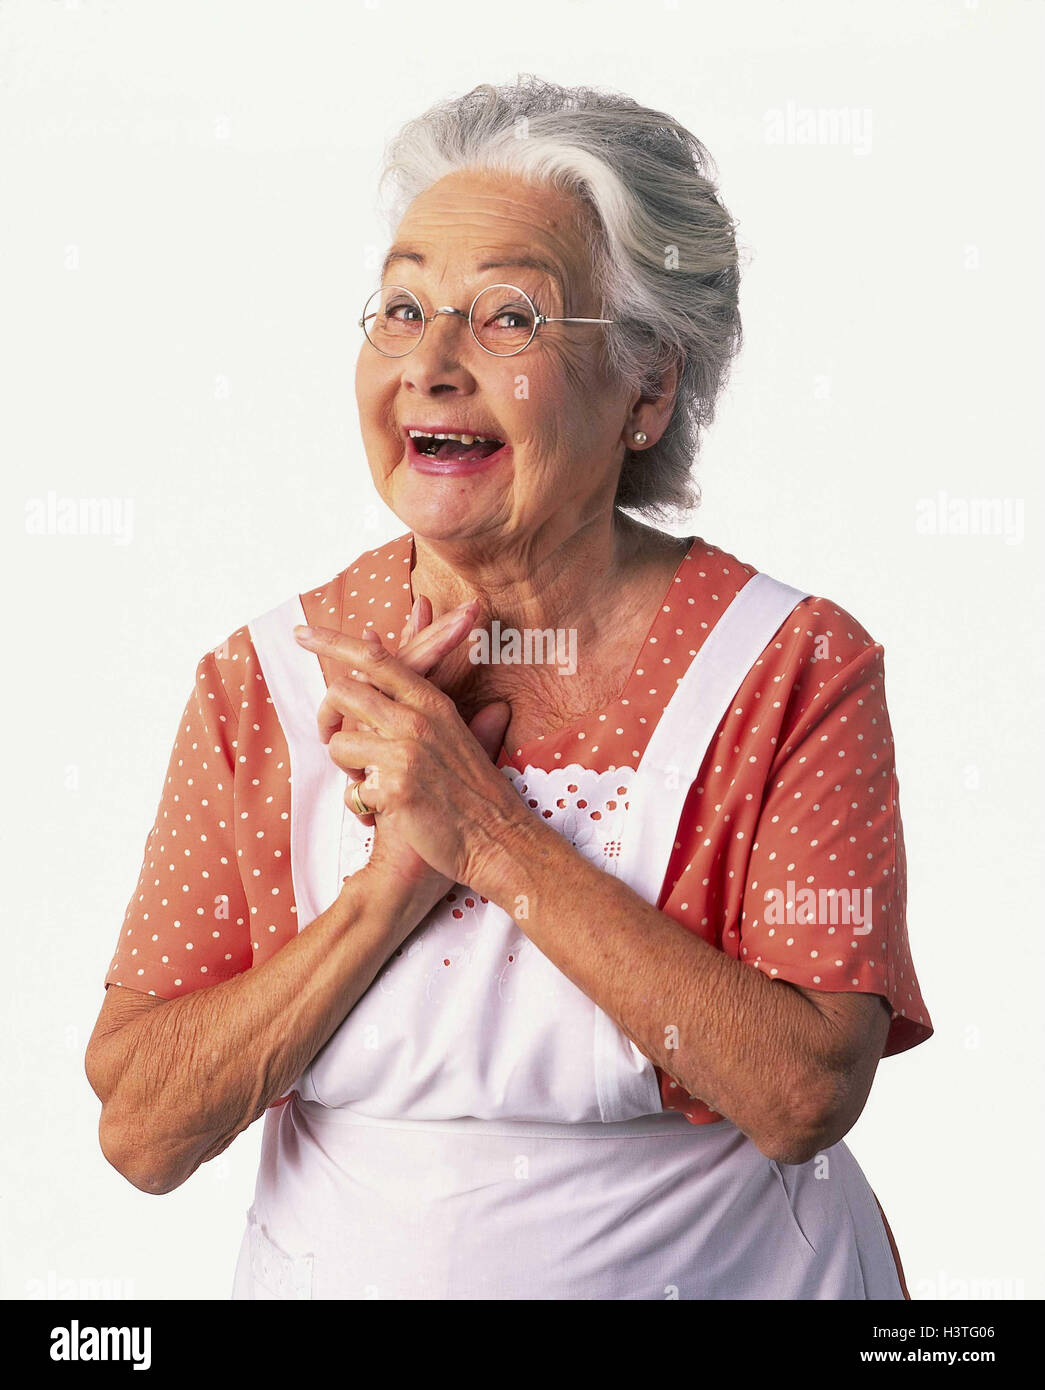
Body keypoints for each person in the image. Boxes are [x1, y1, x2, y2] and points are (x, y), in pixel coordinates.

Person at [85, 75, 932, 1300]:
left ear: (647, 389)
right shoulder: (261, 684)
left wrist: (490, 837)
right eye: (402, 307)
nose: (429, 365)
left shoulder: (793, 670)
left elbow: (805, 1090)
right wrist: (386, 897)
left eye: (507, 319)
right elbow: (144, 1131)